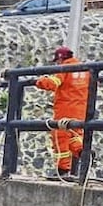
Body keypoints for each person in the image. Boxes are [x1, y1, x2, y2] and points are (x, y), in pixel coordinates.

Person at [34, 46, 90, 179]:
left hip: (65, 109)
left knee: (60, 138)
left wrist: (39, 81)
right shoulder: (85, 70)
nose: (56, 64)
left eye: (57, 61)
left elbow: (53, 83)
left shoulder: (65, 68)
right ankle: (84, 152)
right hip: (81, 110)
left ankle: (62, 170)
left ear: (60, 58)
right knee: (74, 136)